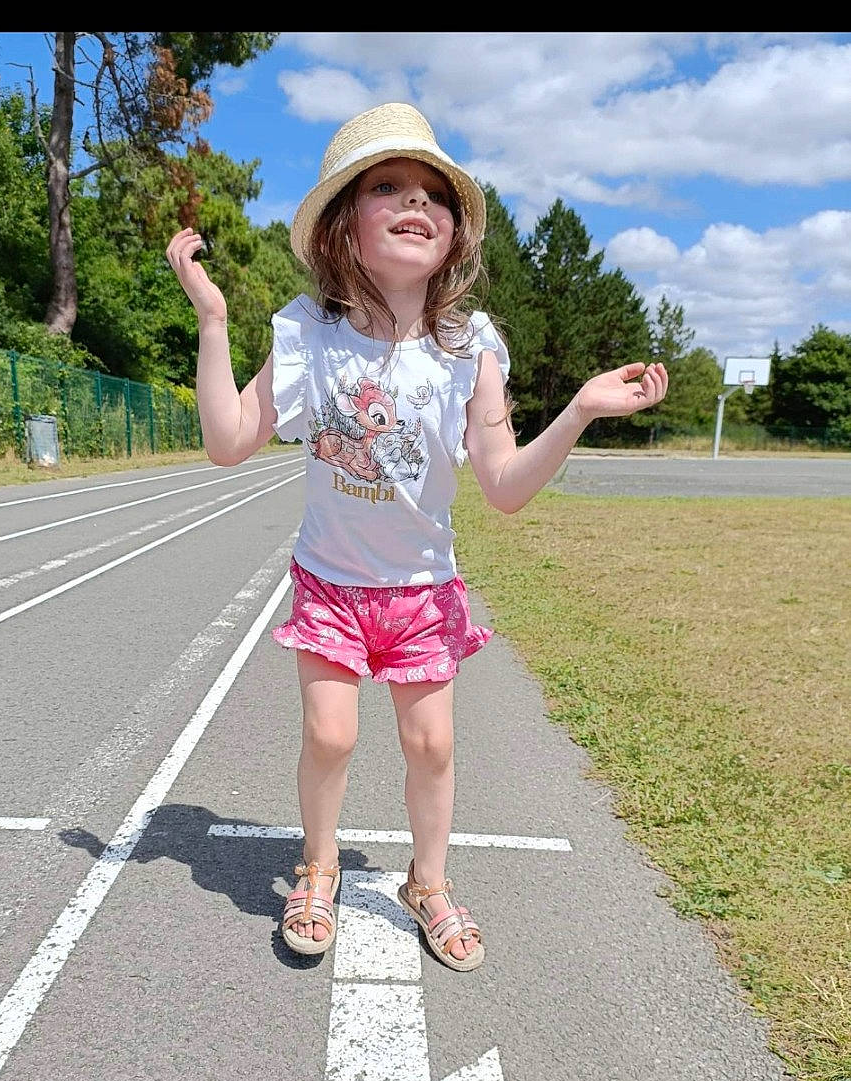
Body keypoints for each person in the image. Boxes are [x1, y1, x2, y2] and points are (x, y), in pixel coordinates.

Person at [166, 102, 668, 971]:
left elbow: (503, 486)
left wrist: (580, 409)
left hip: (420, 589)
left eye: (434, 195)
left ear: (454, 234)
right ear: (342, 228)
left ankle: (426, 882)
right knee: (330, 736)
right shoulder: (305, 333)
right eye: (386, 187)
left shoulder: (470, 347)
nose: (414, 203)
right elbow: (227, 441)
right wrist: (211, 320)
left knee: (431, 745)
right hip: (330, 580)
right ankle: (317, 869)